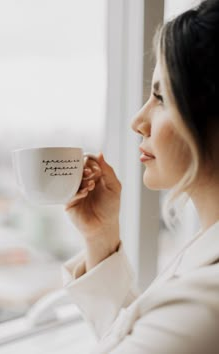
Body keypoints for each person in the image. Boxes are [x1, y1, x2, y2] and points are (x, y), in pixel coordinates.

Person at [62, 0, 219, 353]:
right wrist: (101, 238)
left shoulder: (206, 306)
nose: (138, 120)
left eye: (161, 97)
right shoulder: (204, 250)